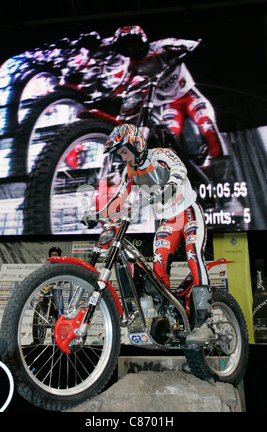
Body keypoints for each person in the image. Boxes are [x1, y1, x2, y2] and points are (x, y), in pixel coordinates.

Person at [87, 123, 215, 345]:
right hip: (168, 221)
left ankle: (203, 322)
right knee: (157, 270)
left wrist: (172, 185)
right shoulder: (130, 171)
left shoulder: (161, 155)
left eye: (124, 152)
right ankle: (168, 315)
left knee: (194, 255)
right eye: (120, 155)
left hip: (188, 212)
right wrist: (97, 214)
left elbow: (180, 170)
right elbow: (118, 200)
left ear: (136, 144)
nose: (124, 158)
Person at [113, 25, 225, 171]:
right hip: (168, 104)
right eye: (126, 47)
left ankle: (220, 164)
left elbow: (189, 44)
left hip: (188, 95)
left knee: (206, 123)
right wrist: (110, 96)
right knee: (168, 138)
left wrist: (194, 47)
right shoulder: (131, 66)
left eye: (133, 44)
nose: (131, 49)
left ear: (142, 40)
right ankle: (180, 171)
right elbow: (123, 84)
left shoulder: (162, 46)